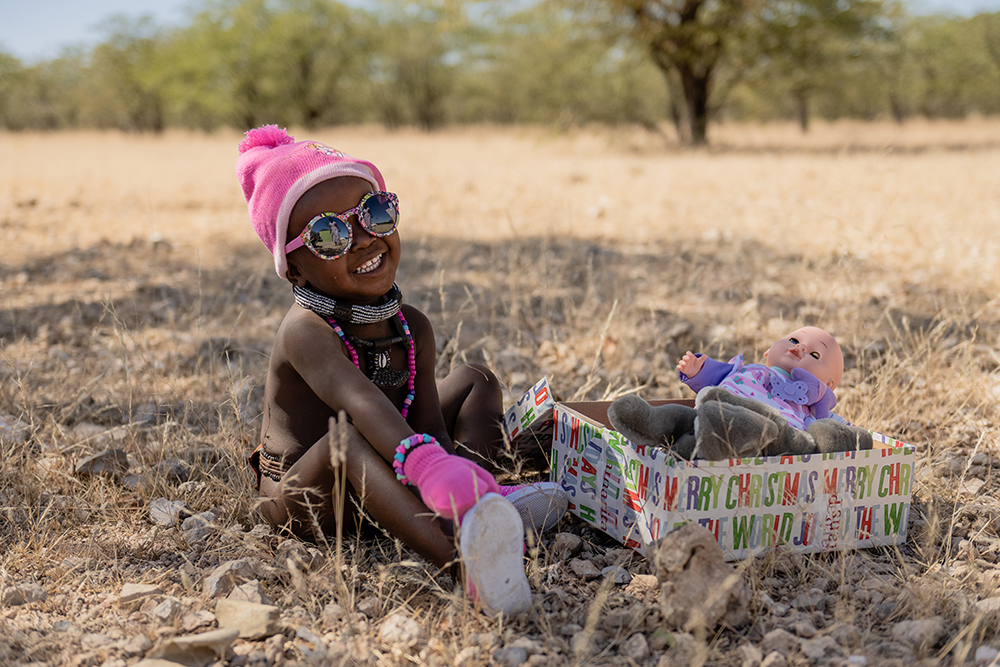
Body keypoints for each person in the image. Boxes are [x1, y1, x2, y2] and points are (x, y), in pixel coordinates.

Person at [235, 125, 565, 616]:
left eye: (376, 212)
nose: (365, 239)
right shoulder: (305, 331)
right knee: (348, 435)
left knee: (476, 379)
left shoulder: (411, 327)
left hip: (393, 458)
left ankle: (483, 504)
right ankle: (461, 560)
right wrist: (427, 465)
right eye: (329, 234)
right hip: (309, 495)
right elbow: (359, 401)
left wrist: (446, 463)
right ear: (296, 268)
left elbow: (428, 425)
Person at [608, 326, 873, 459]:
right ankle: (651, 423)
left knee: (735, 425)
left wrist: (851, 435)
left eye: (814, 354)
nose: (800, 348)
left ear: (827, 385)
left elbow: (837, 428)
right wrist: (696, 371)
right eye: (794, 340)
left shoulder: (810, 405)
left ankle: (689, 448)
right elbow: (715, 377)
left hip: (760, 443)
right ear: (768, 352)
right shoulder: (748, 371)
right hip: (707, 415)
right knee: (687, 417)